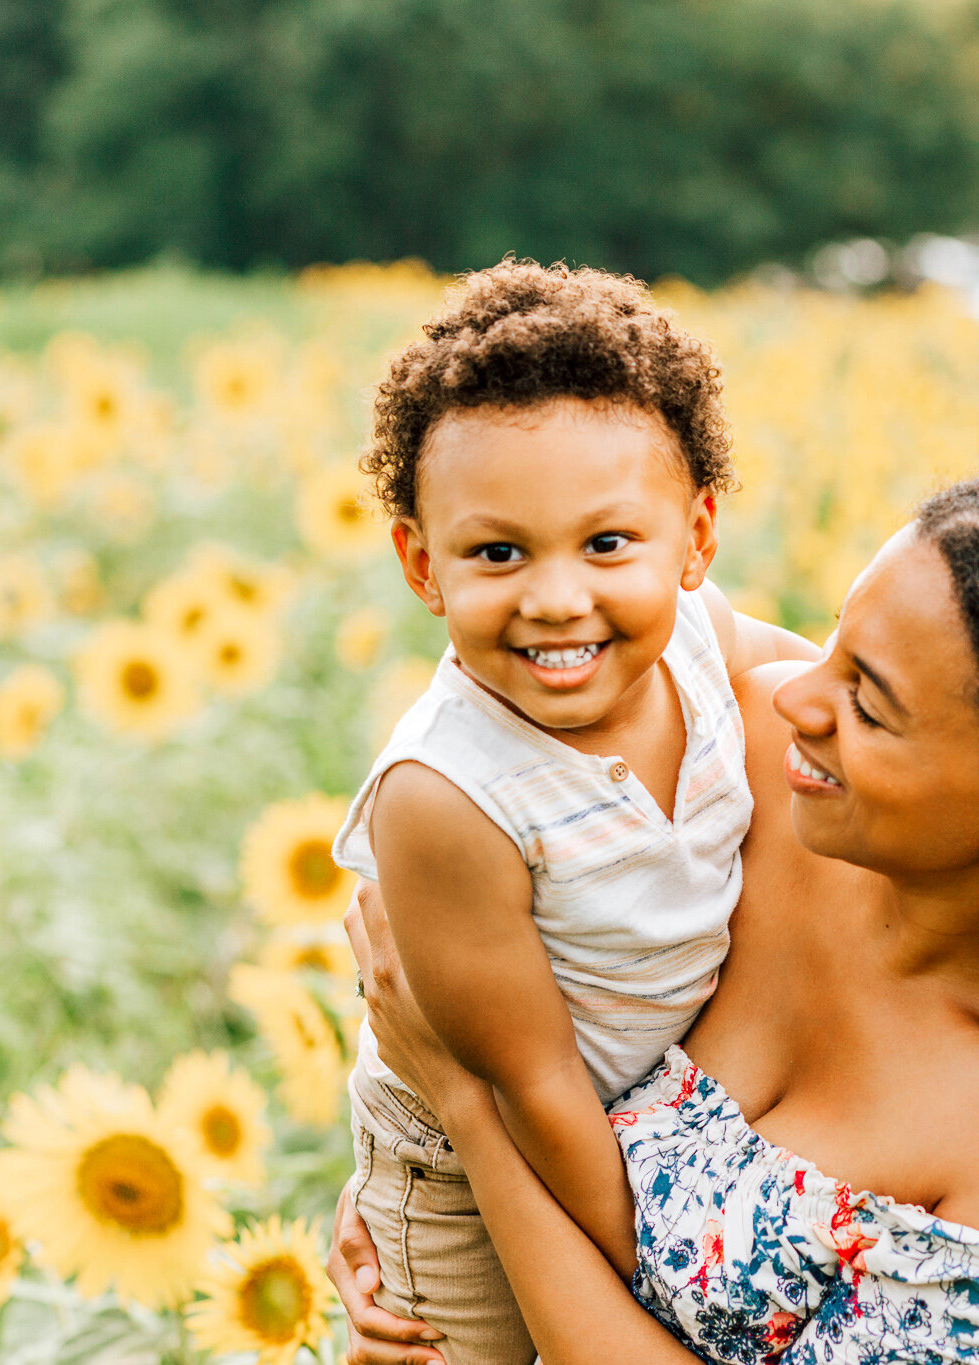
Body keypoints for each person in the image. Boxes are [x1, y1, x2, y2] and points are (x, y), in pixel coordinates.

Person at [338, 467, 979, 1364]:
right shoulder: (737, 777)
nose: (794, 695)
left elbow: (484, 1072)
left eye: (867, 702)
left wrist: (467, 1109)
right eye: (834, 637)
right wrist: (412, 1224)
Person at [334, 259, 815, 1364]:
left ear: (694, 538)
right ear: (421, 562)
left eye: (606, 544)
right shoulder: (449, 795)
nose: (556, 599)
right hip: (467, 1157)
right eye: (497, 553)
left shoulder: (701, 641)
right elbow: (531, 1079)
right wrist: (653, 1277)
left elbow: (823, 689)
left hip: (642, 1119)